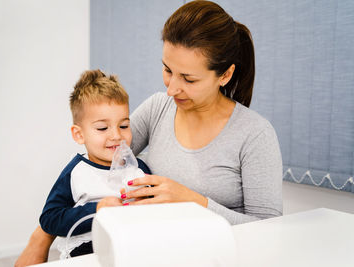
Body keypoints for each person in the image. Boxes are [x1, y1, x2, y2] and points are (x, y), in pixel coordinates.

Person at [15, 1, 282, 266]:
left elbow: (270, 230)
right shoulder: (159, 108)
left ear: (224, 75)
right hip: (149, 252)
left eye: (188, 79)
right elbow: (98, 160)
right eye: (167, 70)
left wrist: (192, 201)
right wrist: (39, 238)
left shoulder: (255, 134)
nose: (171, 89)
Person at [37, 69, 151, 258]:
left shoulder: (139, 170)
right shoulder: (76, 173)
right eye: (102, 128)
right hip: (88, 249)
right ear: (79, 134)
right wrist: (97, 210)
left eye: (124, 126)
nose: (116, 135)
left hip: (131, 244)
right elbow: (50, 219)